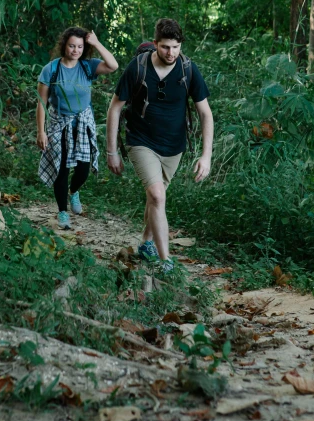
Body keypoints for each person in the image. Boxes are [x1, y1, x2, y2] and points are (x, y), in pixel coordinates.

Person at [106, 18, 213, 274]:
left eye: (175, 47)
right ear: (155, 44)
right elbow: (115, 108)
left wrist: (206, 155)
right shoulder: (138, 67)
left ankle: (145, 242)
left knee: (156, 200)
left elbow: (205, 114)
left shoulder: (188, 70)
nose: (171, 53)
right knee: (157, 195)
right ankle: (167, 263)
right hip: (141, 140)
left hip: (174, 146)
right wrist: (112, 151)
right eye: (165, 47)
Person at [37, 27, 118, 229]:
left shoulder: (87, 67)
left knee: (83, 168)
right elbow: (41, 102)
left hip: (83, 123)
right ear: (64, 45)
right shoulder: (51, 69)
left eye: (80, 46)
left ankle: (74, 191)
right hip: (58, 123)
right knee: (61, 167)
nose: (75, 50)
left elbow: (113, 66)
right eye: (72, 45)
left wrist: (96, 43)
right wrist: (41, 131)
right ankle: (62, 212)